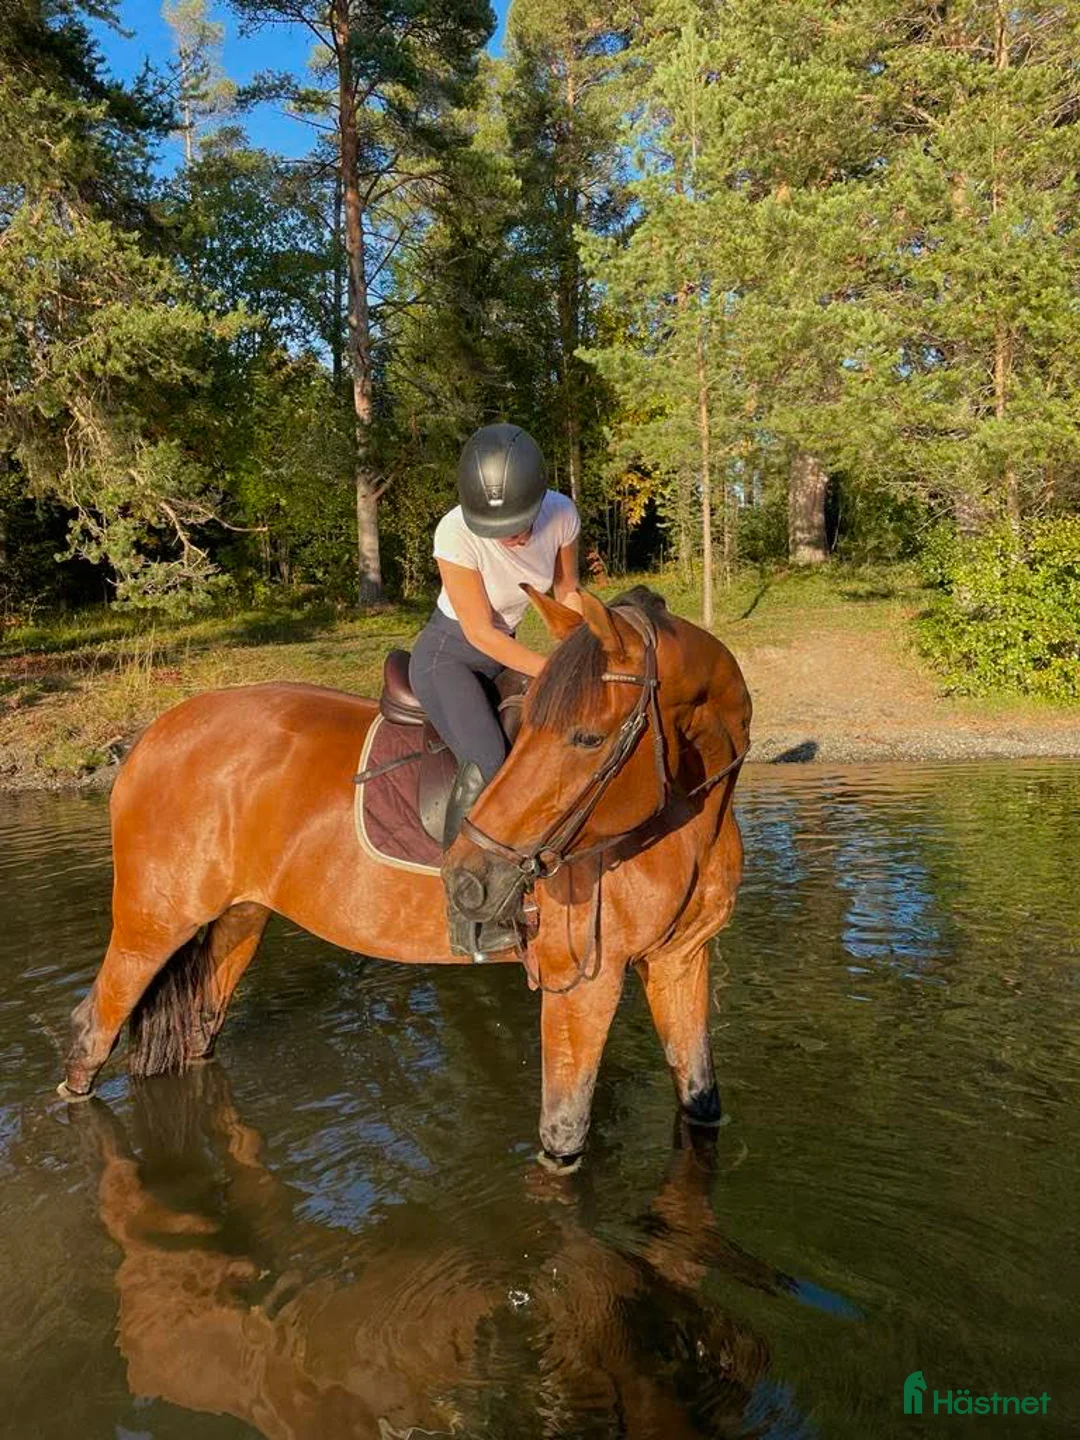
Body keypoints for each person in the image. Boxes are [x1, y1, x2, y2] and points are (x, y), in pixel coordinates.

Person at [409, 423, 583, 847]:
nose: (508, 535)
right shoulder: (453, 532)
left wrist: (582, 653)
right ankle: (458, 881)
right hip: (449, 654)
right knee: (488, 758)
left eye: (518, 523)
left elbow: (568, 592)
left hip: (503, 651)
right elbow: (481, 633)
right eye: (496, 527)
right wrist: (553, 671)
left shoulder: (561, 514)